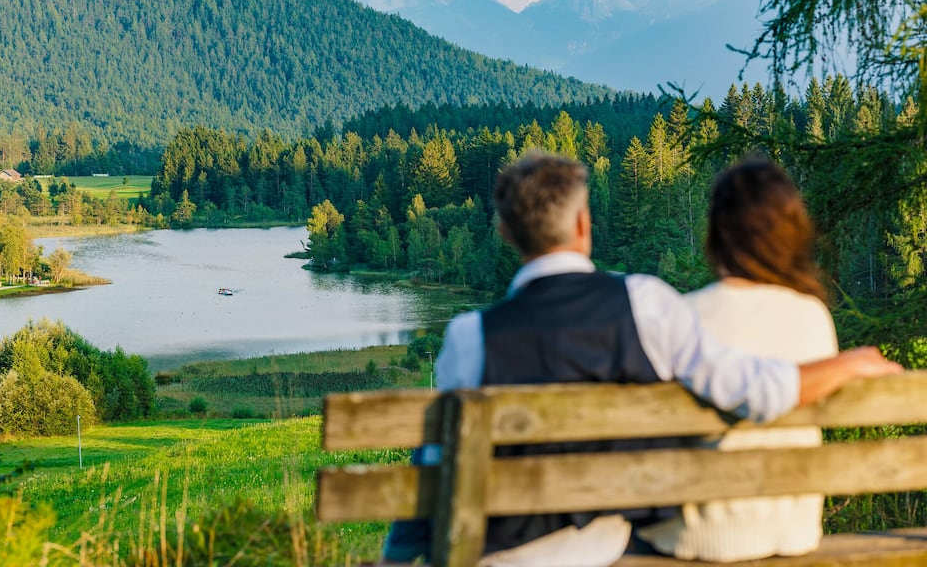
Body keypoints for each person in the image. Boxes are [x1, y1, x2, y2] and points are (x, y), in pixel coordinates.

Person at [379, 151, 901, 567]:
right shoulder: (645, 305)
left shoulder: (469, 337)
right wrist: (848, 363)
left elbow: (433, 464)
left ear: (505, 233)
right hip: (601, 547)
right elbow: (751, 387)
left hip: (501, 553)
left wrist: (396, 559)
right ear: (583, 224)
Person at [636, 158, 839, 561]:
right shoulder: (812, 315)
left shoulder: (681, 317)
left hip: (695, 538)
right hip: (794, 531)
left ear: (717, 234)